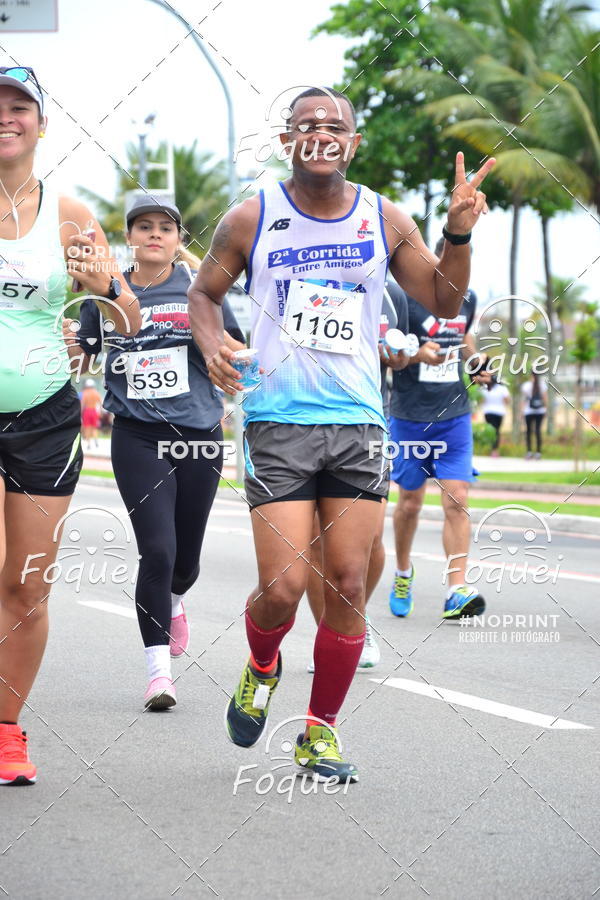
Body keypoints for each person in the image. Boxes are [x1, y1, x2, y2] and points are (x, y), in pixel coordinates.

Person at [188, 86, 494, 781]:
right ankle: (262, 663)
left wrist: (459, 232)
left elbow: (443, 298)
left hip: (357, 423)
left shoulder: (382, 217)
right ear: (287, 142)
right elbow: (203, 294)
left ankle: (318, 732)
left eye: (335, 126)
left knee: (351, 581)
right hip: (276, 423)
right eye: (306, 125)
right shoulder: (251, 217)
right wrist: (211, 344)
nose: (321, 133)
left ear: (353, 143)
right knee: (285, 586)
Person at [0, 66, 140, 785]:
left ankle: (6, 733)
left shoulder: (69, 214)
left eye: (20, 105)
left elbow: (131, 320)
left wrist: (105, 286)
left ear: (42, 122)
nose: (7, 116)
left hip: (43, 415)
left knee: (27, 583)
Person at [75, 196, 244, 710]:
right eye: (143, 227)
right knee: (159, 549)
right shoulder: (105, 293)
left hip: (197, 434)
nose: (154, 235)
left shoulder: (201, 290)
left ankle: (174, 601)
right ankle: (158, 675)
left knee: (185, 564)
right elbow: (80, 351)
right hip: (137, 435)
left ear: (178, 238)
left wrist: (225, 353)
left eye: (164, 228)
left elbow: (233, 347)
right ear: (129, 237)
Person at [305, 280, 410, 672]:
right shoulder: (309, 275)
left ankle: (354, 618)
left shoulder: (391, 292)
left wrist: (398, 356)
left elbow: (400, 351)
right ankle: (329, 634)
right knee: (317, 541)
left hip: (368, 423)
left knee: (371, 540)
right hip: (305, 418)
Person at [388, 236, 491, 620]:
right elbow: (388, 351)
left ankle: (455, 589)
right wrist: (417, 355)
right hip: (410, 418)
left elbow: (465, 340)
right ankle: (402, 573)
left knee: (457, 500)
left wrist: (477, 363)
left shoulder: (468, 298)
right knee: (410, 504)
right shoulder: (404, 298)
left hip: (455, 417)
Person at [481, 379, 510, 455]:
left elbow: (482, 400)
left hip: (488, 412)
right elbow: (507, 400)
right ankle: (494, 450)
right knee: (496, 431)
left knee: (490, 431)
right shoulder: (502, 388)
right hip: (499, 412)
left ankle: (492, 448)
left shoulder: (485, 388)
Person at [521, 373, 546, 459]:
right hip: (539, 410)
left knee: (529, 432)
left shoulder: (526, 385)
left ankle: (529, 452)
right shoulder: (542, 385)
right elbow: (545, 398)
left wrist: (521, 411)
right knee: (537, 431)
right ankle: (537, 452)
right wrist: (546, 409)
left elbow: (524, 399)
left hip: (529, 411)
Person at [80, 377, 102, 451]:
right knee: (94, 427)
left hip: (87, 411)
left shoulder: (85, 393)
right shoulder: (96, 392)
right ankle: (96, 439)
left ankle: (89, 444)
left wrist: (80, 413)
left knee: (87, 428)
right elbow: (100, 403)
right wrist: (100, 412)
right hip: (94, 411)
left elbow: (82, 404)